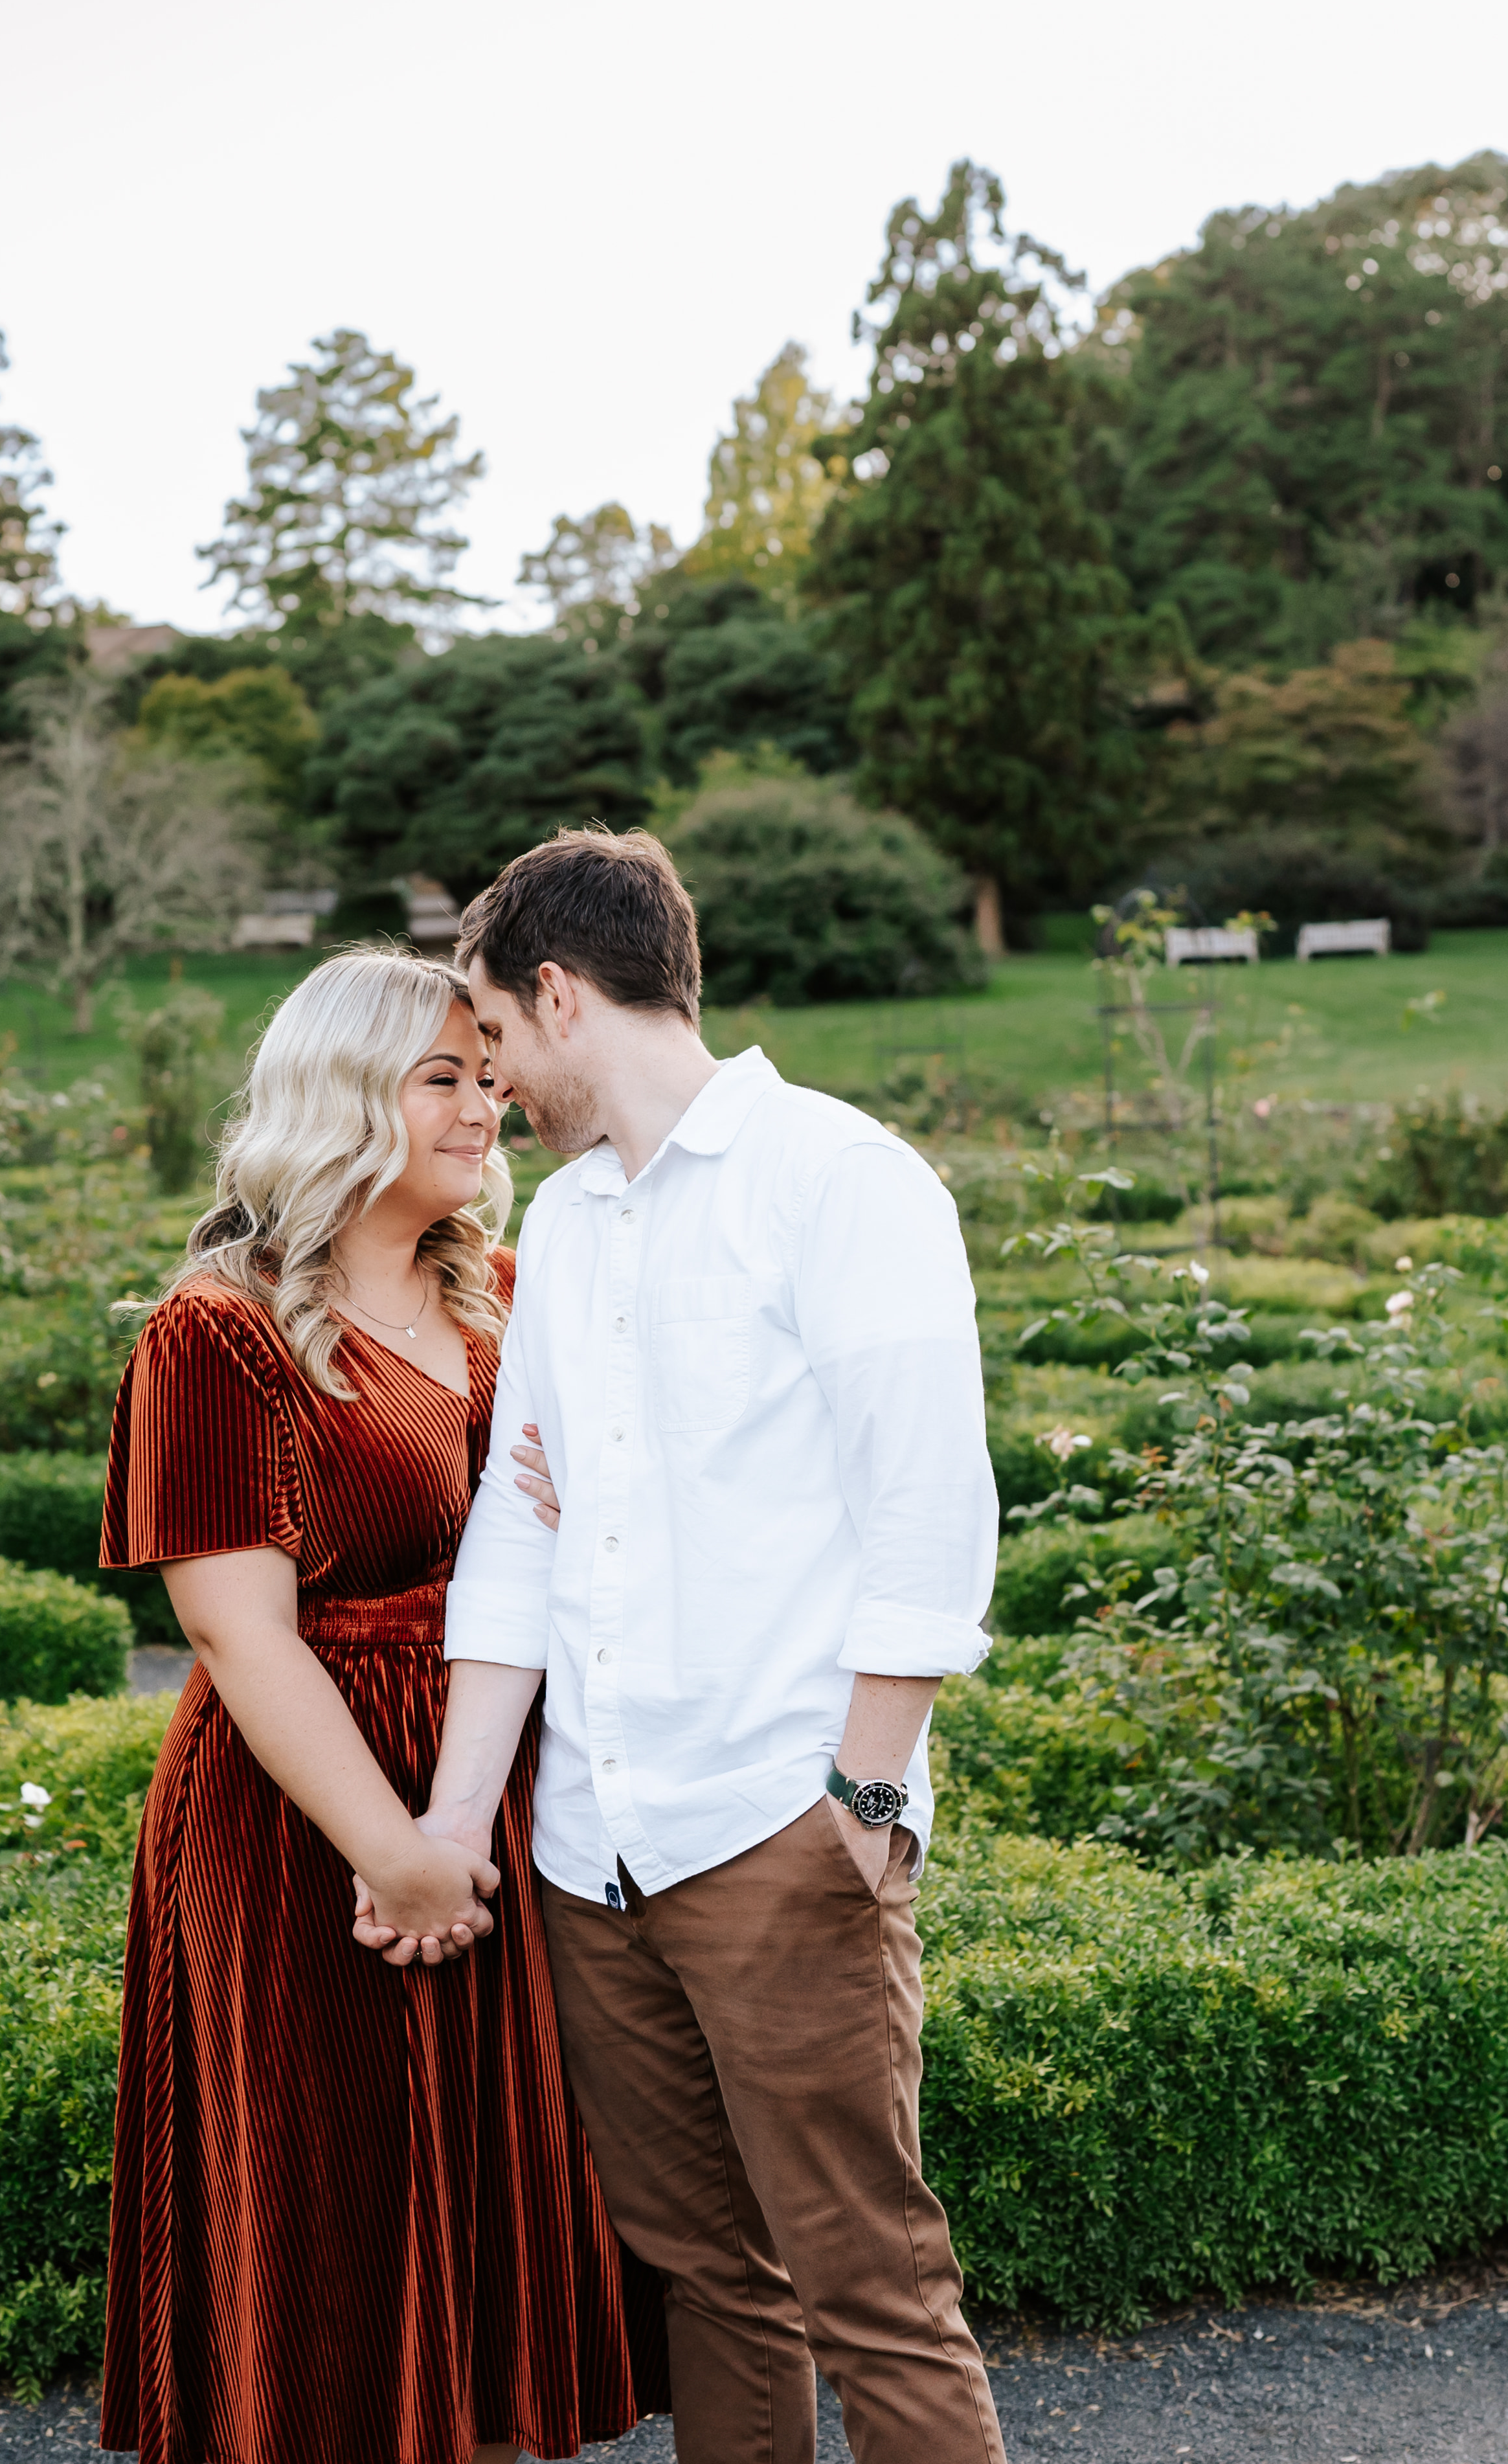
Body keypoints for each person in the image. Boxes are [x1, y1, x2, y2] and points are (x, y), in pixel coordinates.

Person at [405, 830, 1012, 2464]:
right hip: (591, 1845)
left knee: (873, 2281)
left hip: (776, 1826)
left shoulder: (842, 1178)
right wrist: (467, 1820)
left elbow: (929, 1511)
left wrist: (863, 1802)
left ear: (560, 991)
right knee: (709, 2281)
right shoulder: (578, 1231)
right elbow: (521, 1536)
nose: (495, 1081)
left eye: (497, 1037)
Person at [96, 947, 660, 2464]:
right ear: (348, 1095)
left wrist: (458, 1826)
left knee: (470, 2213)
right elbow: (236, 1627)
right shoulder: (220, 1329)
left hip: (484, 1786)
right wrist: (393, 1850)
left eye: (492, 1076)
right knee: (333, 2212)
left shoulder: (502, 1297)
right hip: (306, 1816)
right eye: (446, 1079)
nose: (489, 1106)